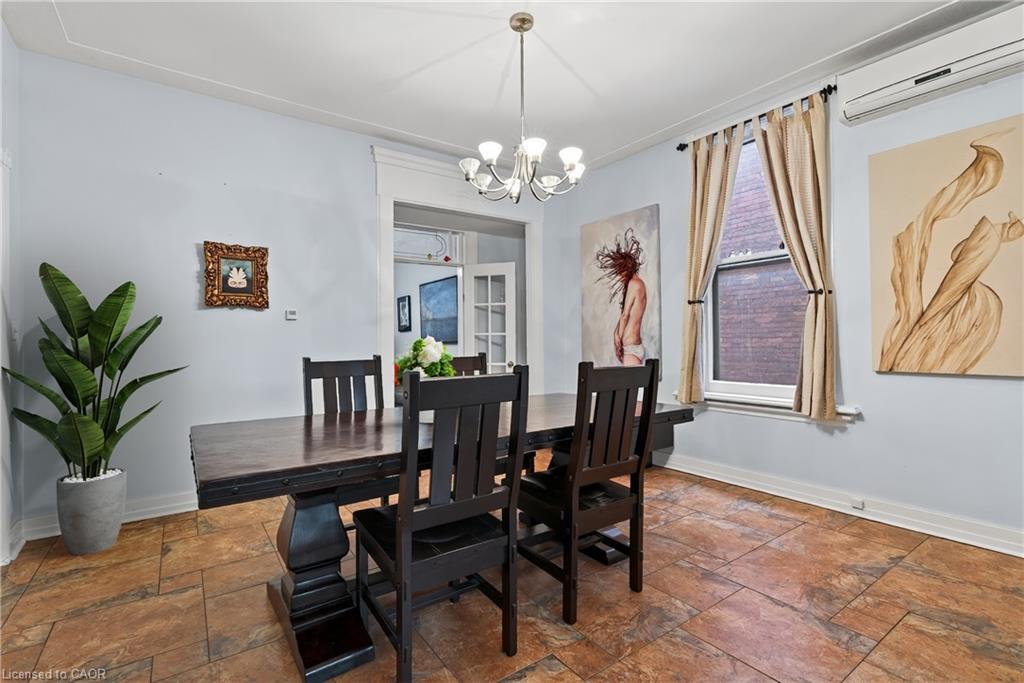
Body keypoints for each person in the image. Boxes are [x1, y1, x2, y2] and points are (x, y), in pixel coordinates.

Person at [595, 228, 648, 365]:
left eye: (620, 272)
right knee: (631, 386)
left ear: (625, 269)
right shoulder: (640, 285)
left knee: (628, 386)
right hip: (634, 345)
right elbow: (628, 315)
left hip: (630, 348)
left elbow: (625, 315)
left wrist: (618, 339)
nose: (619, 277)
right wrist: (615, 334)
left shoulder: (633, 284)